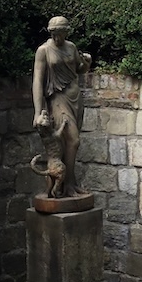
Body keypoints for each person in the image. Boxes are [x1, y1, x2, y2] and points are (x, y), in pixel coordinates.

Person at [32, 16, 91, 197]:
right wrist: (37, 111)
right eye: (53, 34)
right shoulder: (43, 51)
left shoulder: (71, 47)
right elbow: (37, 81)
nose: (57, 37)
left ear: (66, 32)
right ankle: (67, 184)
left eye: (60, 33)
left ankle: (68, 184)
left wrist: (86, 63)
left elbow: (78, 69)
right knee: (72, 140)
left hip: (74, 97)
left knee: (69, 142)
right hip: (57, 99)